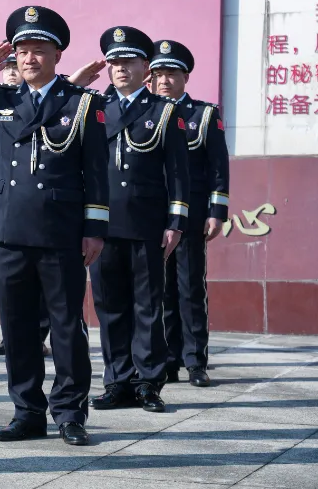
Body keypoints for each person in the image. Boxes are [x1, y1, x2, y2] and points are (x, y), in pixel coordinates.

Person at [0, 6, 108, 447]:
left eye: (39, 50)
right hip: (8, 230)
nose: (30, 58)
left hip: (60, 231)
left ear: (57, 55)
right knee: (17, 327)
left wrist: (95, 229)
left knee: (66, 326)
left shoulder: (81, 103)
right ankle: (27, 412)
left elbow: (96, 172)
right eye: (22, 51)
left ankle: (70, 412)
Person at [87, 26, 189, 414]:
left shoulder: (164, 111)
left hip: (148, 224)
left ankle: (148, 382)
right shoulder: (93, 108)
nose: (120, 68)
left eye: (128, 61)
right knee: (109, 306)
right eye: (114, 61)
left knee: (147, 306)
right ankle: (117, 381)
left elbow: (178, 172)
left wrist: (176, 222)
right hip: (102, 224)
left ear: (145, 67)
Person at [149, 40, 229, 388]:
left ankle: (196, 361)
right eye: (158, 74)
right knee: (160, 289)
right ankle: (168, 360)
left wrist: (217, 211)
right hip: (154, 214)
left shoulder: (203, 115)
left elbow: (218, 167)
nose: (164, 80)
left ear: (185, 78)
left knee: (190, 286)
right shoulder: (146, 113)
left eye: (172, 74)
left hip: (192, 214)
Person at [0, 53, 51, 359]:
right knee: (8, 279)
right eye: (7, 67)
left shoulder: (41, 102)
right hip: (1, 196)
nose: (11, 72)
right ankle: (10, 333)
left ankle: (38, 333)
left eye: (15, 67)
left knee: (40, 276)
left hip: (36, 197)